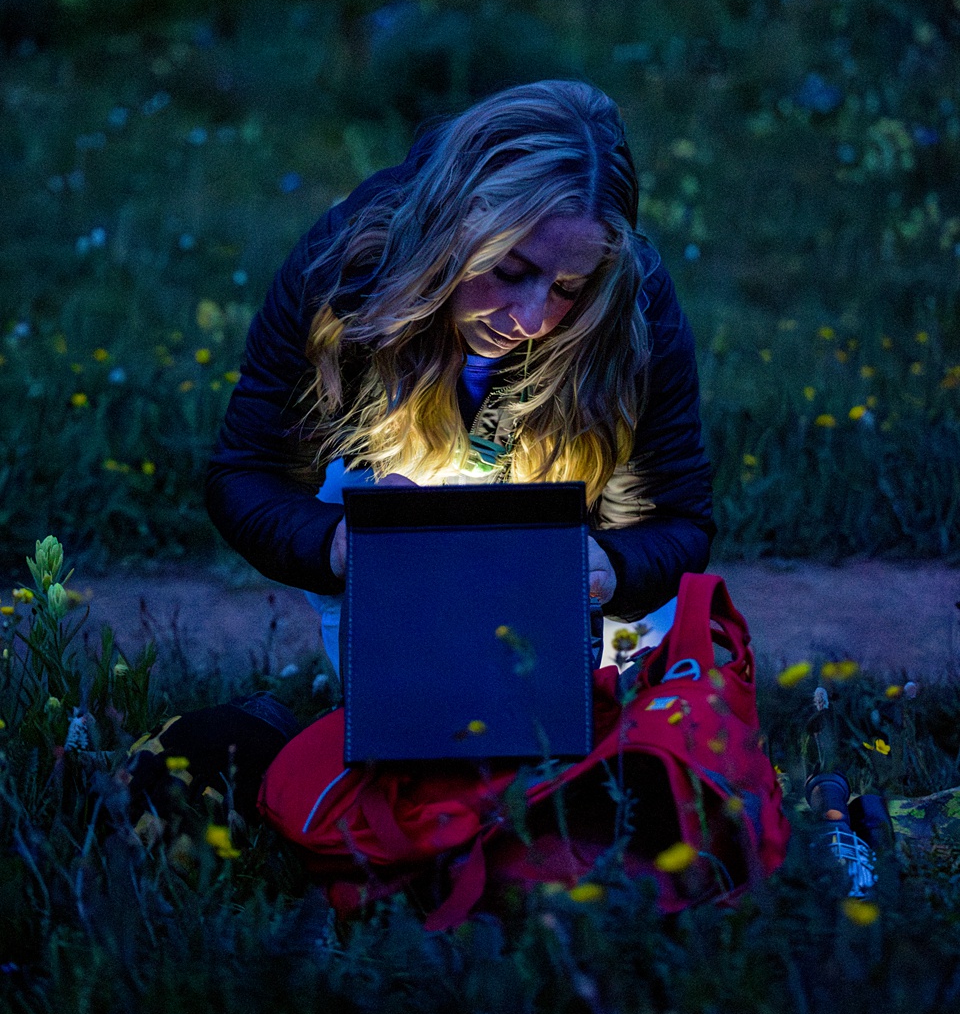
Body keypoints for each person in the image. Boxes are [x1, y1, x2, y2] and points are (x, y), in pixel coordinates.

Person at [205, 80, 715, 671]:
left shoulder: (633, 310)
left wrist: (613, 565)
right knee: (422, 700)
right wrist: (341, 543)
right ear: (448, 230)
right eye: (509, 270)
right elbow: (249, 470)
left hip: (566, 572)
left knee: (605, 699)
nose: (531, 320)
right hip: (392, 518)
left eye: (568, 288)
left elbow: (675, 517)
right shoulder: (349, 273)